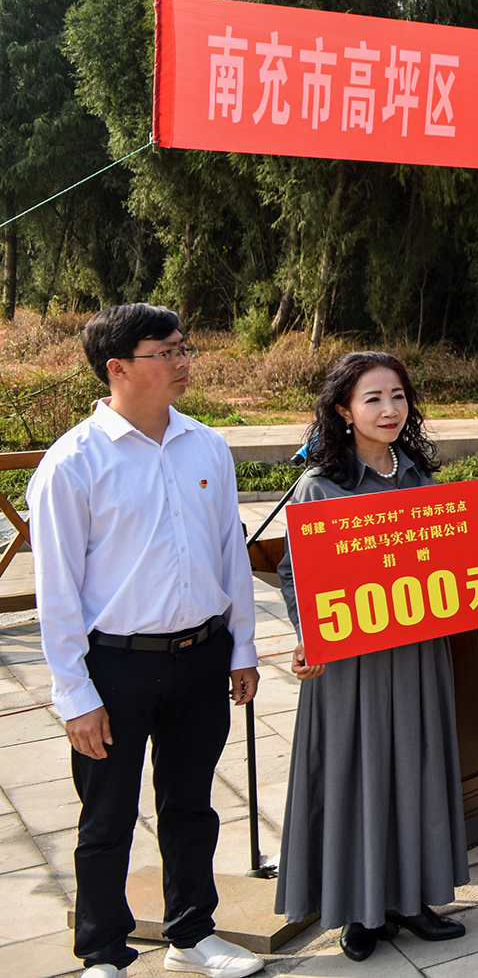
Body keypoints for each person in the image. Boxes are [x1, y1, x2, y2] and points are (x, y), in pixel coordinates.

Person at [29, 305, 265, 978]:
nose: (183, 361)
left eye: (184, 347)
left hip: (201, 655)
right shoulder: (73, 463)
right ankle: (103, 952)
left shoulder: (206, 446)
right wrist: (74, 695)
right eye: (166, 351)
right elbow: (57, 592)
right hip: (115, 666)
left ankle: (192, 935)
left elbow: (229, 556)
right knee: (107, 817)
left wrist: (242, 648)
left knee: (191, 805)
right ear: (118, 368)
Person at [276, 352, 470, 962]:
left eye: (398, 396)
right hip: (349, 662)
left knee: (414, 767)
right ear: (343, 410)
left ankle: (412, 900)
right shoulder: (319, 484)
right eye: (373, 398)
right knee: (355, 774)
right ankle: (358, 912)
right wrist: (307, 634)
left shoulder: (420, 477)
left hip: (416, 653)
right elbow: (292, 573)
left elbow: (451, 556)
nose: (389, 410)